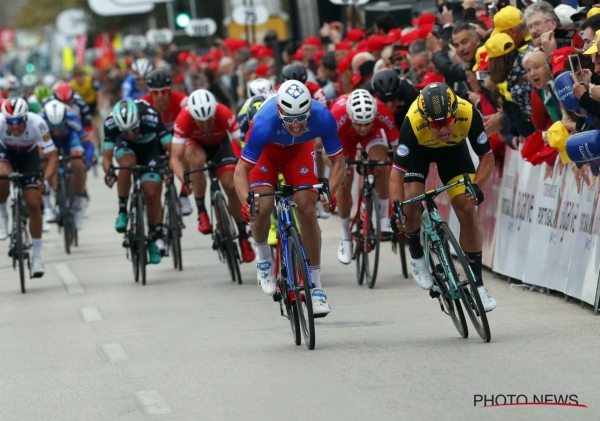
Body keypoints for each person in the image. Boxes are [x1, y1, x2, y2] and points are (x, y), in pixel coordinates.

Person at [233, 79, 345, 316]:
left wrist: (330, 192)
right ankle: (263, 258)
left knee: (306, 208)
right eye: (290, 119)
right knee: (262, 207)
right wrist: (246, 201)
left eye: (301, 118)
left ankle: (315, 287)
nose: (296, 125)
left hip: (299, 152)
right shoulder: (264, 122)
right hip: (267, 155)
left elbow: (338, 163)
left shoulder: (322, 116)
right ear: (279, 110)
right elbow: (240, 171)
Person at [389, 82, 497, 312]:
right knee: (412, 201)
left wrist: (477, 186)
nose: (442, 129)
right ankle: (417, 255)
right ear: (425, 119)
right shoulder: (413, 122)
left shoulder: (468, 112)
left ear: (455, 112)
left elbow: (487, 157)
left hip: (453, 152)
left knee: (467, 208)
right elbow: (396, 173)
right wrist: (396, 208)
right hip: (419, 152)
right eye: (435, 124)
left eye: (447, 121)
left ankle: (477, 285)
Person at [169, 89, 256, 264]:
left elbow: (241, 148)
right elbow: (175, 158)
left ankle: (243, 237)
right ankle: (201, 211)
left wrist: (244, 176)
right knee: (196, 161)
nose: (206, 125)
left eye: (209, 119)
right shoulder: (183, 118)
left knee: (232, 188)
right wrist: (184, 179)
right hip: (196, 145)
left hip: (221, 145)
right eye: (200, 122)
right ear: (192, 117)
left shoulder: (224, 113)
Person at [330, 89, 399, 264]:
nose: (362, 127)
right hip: (343, 138)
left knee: (381, 166)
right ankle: (346, 237)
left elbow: (397, 147)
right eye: (358, 123)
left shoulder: (383, 112)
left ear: (374, 115)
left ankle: (383, 217)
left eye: (367, 122)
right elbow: (327, 151)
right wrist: (340, 168)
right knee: (344, 181)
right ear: (350, 116)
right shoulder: (337, 114)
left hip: (374, 137)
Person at [102, 99, 171, 264]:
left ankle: (154, 238)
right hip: (127, 149)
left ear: (139, 120)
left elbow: (171, 148)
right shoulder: (111, 123)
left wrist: (169, 167)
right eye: (125, 131)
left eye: (134, 129)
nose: (131, 134)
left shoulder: (151, 116)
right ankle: (122, 211)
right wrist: (109, 172)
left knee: (152, 193)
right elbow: (106, 157)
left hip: (150, 150)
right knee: (126, 165)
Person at [0, 98, 58, 277]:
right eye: (11, 122)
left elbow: (52, 157)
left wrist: (46, 181)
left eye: (18, 122)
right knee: (3, 176)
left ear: (26, 118)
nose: (15, 127)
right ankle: (2, 216)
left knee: (34, 203)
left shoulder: (38, 124)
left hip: (29, 157)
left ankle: (37, 256)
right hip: (5, 154)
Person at [140, 69, 191, 216]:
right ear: (150, 93)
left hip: (176, 139)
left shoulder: (182, 101)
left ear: (170, 91)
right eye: (156, 93)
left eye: (164, 92)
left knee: (188, 155)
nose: (160, 96)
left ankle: (183, 195)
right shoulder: (144, 103)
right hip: (155, 141)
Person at [41, 99, 88, 230]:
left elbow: (85, 140)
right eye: (53, 126)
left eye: (59, 125)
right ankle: (47, 207)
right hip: (49, 141)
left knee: (78, 164)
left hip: (69, 139)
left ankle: (78, 207)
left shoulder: (71, 117)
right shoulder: (40, 120)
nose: (56, 129)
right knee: (43, 160)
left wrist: (88, 159)